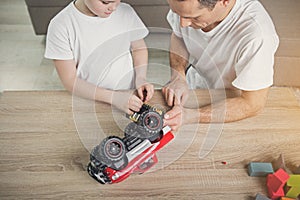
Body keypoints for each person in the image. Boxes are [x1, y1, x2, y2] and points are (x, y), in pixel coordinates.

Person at [162, 0, 279, 131]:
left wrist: (191, 116)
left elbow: (253, 104)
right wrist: (178, 76)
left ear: (225, 2)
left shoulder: (256, 35)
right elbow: (179, 36)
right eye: (177, 13)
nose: (182, 24)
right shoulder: (185, 7)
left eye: (194, 17)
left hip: (231, 105)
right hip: (196, 86)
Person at [45, 0, 154, 115]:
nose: (113, 8)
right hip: (90, 101)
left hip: (127, 95)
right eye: (105, 2)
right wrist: (114, 98)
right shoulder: (61, 25)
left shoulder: (126, 12)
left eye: (117, 0)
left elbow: (139, 48)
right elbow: (70, 81)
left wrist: (141, 78)